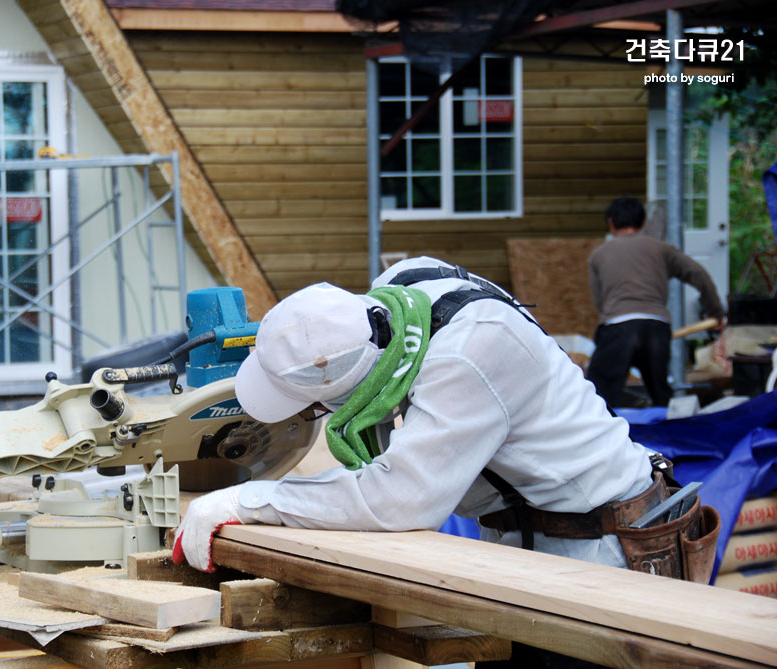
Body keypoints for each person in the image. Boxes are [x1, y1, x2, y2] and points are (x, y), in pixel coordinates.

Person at [172, 257, 717, 666]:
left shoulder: (470, 357)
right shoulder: (406, 285)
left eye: (317, 406)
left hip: (602, 556)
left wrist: (250, 500)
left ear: (355, 388)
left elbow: (401, 498)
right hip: (533, 548)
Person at [587, 196, 726, 408]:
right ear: (642, 223)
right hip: (655, 327)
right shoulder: (662, 249)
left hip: (617, 328)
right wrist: (715, 313)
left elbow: (600, 302)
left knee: (599, 398)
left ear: (611, 223)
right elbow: (698, 274)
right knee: (660, 395)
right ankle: (664, 437)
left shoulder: (598, 255)